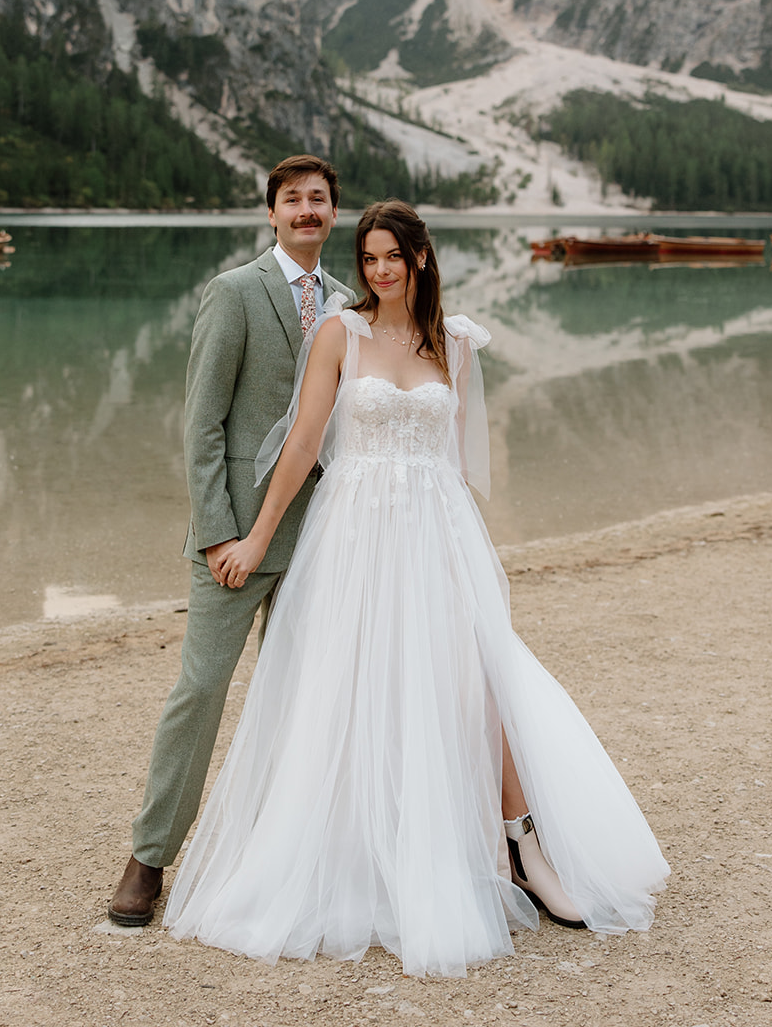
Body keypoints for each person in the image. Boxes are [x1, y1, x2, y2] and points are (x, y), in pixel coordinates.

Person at [163, 199, 669, 978]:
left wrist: (469, 552)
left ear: (420, 258)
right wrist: (257, 535)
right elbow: (301, 444)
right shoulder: (340, 332)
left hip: (434, 530)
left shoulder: (455, 343)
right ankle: (361, 851)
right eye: (367, 258)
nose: (378, 270)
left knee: (475, 679)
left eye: (391, 256)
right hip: (355, 531)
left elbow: (462, 461)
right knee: (352, 686)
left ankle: (518, 845)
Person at [107, 155, 355, 927]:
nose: (306, 211)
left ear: (333, 213)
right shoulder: (236, 291)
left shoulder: (349, 305)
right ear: (271, 214)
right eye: (292, 201)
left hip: (320, 540)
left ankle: (283, 850)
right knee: (200, 691)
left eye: (318, 200)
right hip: (236, 545)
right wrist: (218, 532)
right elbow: (201, 424)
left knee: (306, 698)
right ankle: (148, 859)